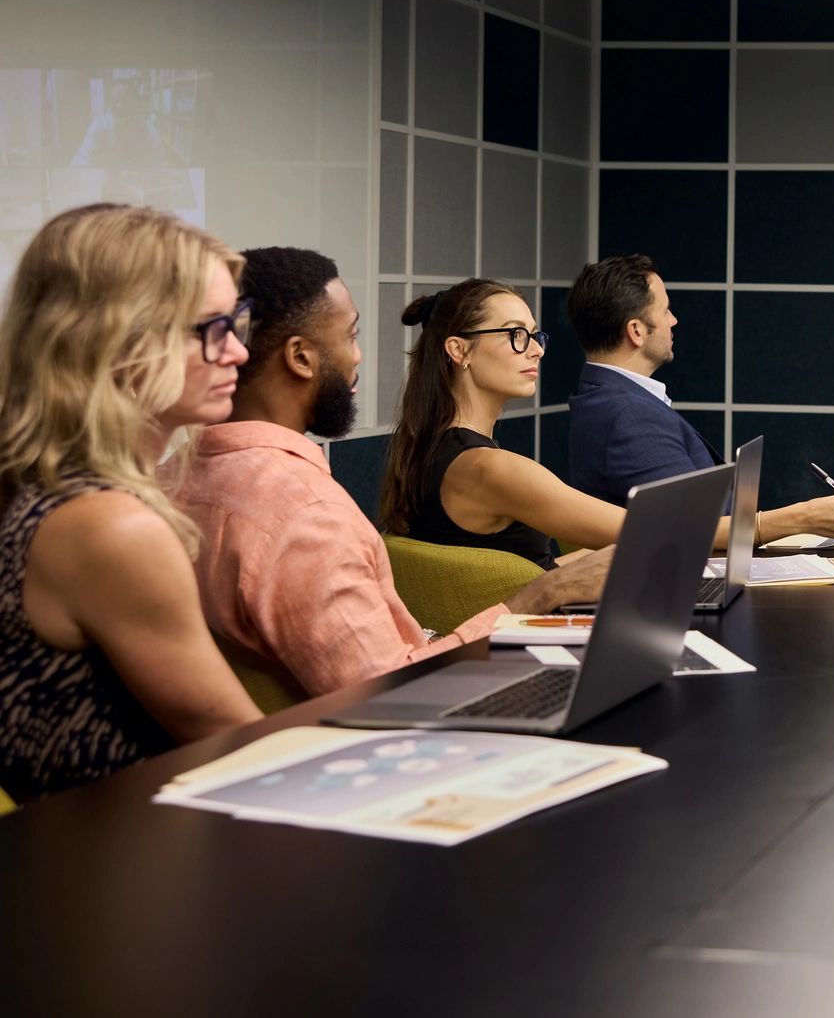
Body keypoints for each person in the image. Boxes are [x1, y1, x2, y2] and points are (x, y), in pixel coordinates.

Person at [175, 249, 613, 699]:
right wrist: (535, 598)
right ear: (301, 358)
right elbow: (392, 693)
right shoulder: (308, 516)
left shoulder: (178, 478)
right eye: (351, 336)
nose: (359, 356)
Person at [0, 205, 261, 800]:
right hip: (126, 871)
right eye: (211, 330)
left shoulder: (50, 485)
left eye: (236, 323)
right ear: (115, 342)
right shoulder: (110, 527)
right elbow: (233, 741)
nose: (239, 354)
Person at [565, 256, 834, 542]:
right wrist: (804, 518)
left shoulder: (602, 398)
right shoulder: (628, 414)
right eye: (665, 311)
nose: (673, 321)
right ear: (636, 331)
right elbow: (688, 531)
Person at [381, 279, 627, 568]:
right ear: (460, 350)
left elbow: (525, 575)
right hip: (531, 614)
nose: (538, 350)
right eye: (517, 334)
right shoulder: (489, 469)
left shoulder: (429, 450)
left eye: (535, 336)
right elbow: (647, 533)